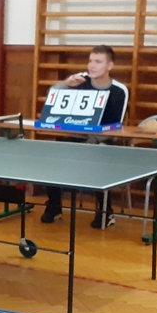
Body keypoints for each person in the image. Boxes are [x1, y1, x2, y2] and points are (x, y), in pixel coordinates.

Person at [40, 45, 129, 228]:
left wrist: (92, 141)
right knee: (51, 155)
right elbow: (52, 97)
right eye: (90, 61)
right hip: (76, 138)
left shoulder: (119, 91)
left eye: (98, 62)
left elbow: (116, 128)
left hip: (104, 141)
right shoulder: (80, 80)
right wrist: (66, 84)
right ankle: (54, 207)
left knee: (98, 160)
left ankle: (106, 212)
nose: (92, 66)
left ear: (110, 66)